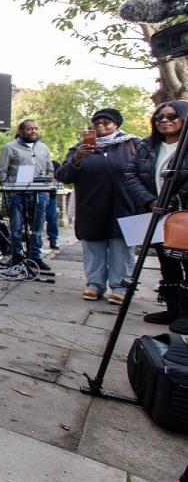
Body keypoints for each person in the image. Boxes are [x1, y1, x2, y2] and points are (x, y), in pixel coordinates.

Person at [56, 108, 139, 304]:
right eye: (97, 122)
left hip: (124, 205)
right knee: (93, 246)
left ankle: (120, 286)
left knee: (122, 248)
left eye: (106, 122)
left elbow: (145, 172)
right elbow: (63, 175)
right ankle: (94, 284)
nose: (100, 126)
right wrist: (77, 157)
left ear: (117, 124)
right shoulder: (80, 147)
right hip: (92, 206)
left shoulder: (132, 145)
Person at [124, 100, 188, 332]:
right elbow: (130, 174)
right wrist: (151, 200)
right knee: (167, 262)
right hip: (156, 212)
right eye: (159, 117)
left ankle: (186, 313)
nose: (164, 121)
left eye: (171, 116)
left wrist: (171, 202)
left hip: (183, 213)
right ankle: (172, 308)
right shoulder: (147, 146)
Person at [0, 119, 55, 271]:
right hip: (18, 193)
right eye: (29, 129)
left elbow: (50, 170)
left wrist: (46, 189)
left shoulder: (43, 148)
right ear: (21, 131)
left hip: (39, 193)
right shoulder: (10, 147)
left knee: (37, 227)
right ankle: (17, 256)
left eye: (36, 128)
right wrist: (8, 190)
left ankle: (35, 257)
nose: (33, 131)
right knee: (16, 227)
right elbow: (2, 171)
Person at [46, 160, 61, 249]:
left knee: (52, 218)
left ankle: (53, 240)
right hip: (38, 194)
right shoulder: (34, 163)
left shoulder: (55, 164)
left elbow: (61, 177)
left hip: (51, 195)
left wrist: (55, 181)